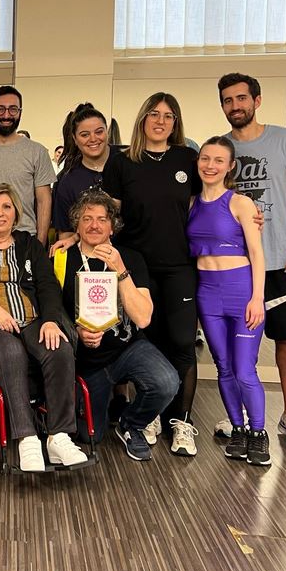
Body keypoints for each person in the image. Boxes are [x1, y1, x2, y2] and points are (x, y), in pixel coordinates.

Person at [0, 183, 88, 471]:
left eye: (6, 207)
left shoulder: (28, 244)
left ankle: (59, 436)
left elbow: (47, 284)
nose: (0, 214)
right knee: (11, 352)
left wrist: (50, 319)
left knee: (59, 347)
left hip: (32, 319)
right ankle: (27, 438)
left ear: (16, 213)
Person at [219, 72, 286, 452]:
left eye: (241, 98)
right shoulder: (220, 149)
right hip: (236, 264)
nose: (235, 106)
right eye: (228, 100)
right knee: (237, 344)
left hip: (281, 259)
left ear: (256, 101)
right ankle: (239, 413)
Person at [101, 92, 202, 456]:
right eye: (154, 114)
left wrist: (245, 215)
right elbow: (109, 216)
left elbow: (206, 205)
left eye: (168, 116)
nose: (161, 121)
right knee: (147, 340)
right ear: (143, 118)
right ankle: (151, 414)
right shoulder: (122, 162)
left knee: (182, 342)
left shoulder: (187, 159)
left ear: (176, 123)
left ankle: (182, 422)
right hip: (137, 266)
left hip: (179, 266)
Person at [60, 191, 178, 461]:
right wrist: (76, 332)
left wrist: (120, 269)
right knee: (89, 435)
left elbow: (143, 318)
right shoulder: (61, 259)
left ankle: (131, 424)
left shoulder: (131, 258)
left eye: (102, 219)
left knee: (166, 382)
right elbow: (52, 312)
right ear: (77, 225)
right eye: (87, 219)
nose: (94, 225)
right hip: (87, 361)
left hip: (127, 348)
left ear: (112, 227)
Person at [188, 137, 270, 465]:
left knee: (244, 369)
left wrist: (257, 298)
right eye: (205, 158)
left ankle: (258, 433)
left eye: (219, 160)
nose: (210, 165)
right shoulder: (190, 204)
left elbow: (257, 254)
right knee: (223, 366)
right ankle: (238, 428)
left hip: (241, 291)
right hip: (207, 294)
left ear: (230, 166)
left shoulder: (241, 204)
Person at [0, 86, 57, 246]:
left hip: (25, 238)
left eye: (13, 109)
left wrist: (39, 244)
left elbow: (43, 201)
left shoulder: (37, 152)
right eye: (0, 109)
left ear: (20, 112)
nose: (6, 115)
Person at [53, 103, 120, 242]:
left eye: (99, 132)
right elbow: (65, 234)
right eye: (85, 135)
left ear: (107, 131)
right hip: (89, 253)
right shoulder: (68, 182)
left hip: (132, 251)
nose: (93, 139)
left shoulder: (127, 163)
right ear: (75, 138)